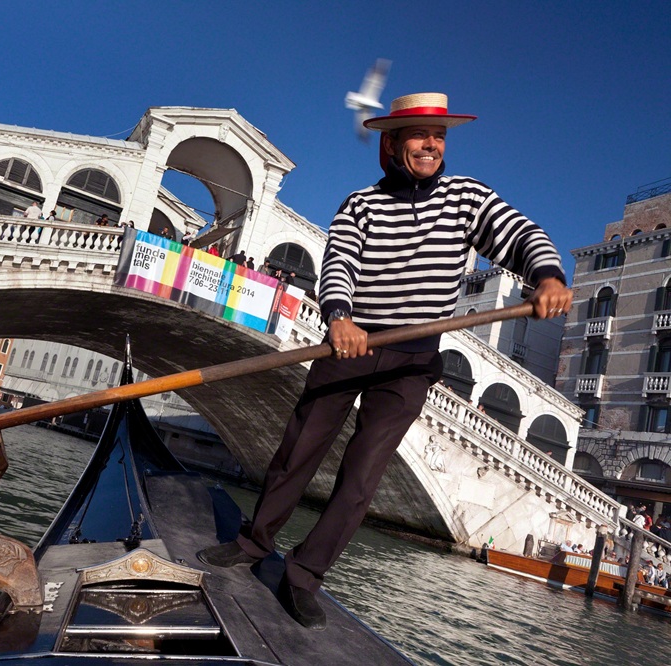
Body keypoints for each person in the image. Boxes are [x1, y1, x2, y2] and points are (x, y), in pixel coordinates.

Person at [196, 92, 571, 630]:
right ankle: (255, 544)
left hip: (413, 360)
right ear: (392, 144)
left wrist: (548, 277)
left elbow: (518, 234)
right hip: (351, 344)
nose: (431, 145)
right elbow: (339, 262)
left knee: (363, 474)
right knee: (299, 447)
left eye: (438, 136)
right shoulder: (361, 204)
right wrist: (341, 318)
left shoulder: (468, 198)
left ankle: (303, 575)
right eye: (420, 135)